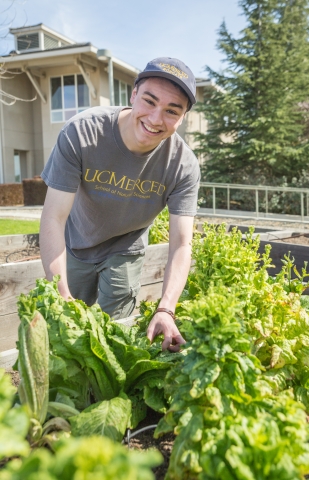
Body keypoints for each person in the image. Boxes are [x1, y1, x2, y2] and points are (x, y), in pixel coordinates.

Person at [40, 56, 200, 352]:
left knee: (114, 340)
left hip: (126, 245)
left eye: (171, 111)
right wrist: (60, 295)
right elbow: (53, 218)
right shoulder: (82, 132)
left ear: (182, 118)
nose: (155, 118)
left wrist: (166, 309)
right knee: (64, 331)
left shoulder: (183, 165)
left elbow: (181, 243)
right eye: (149, 101)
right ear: (133, 94)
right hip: (76, 240)